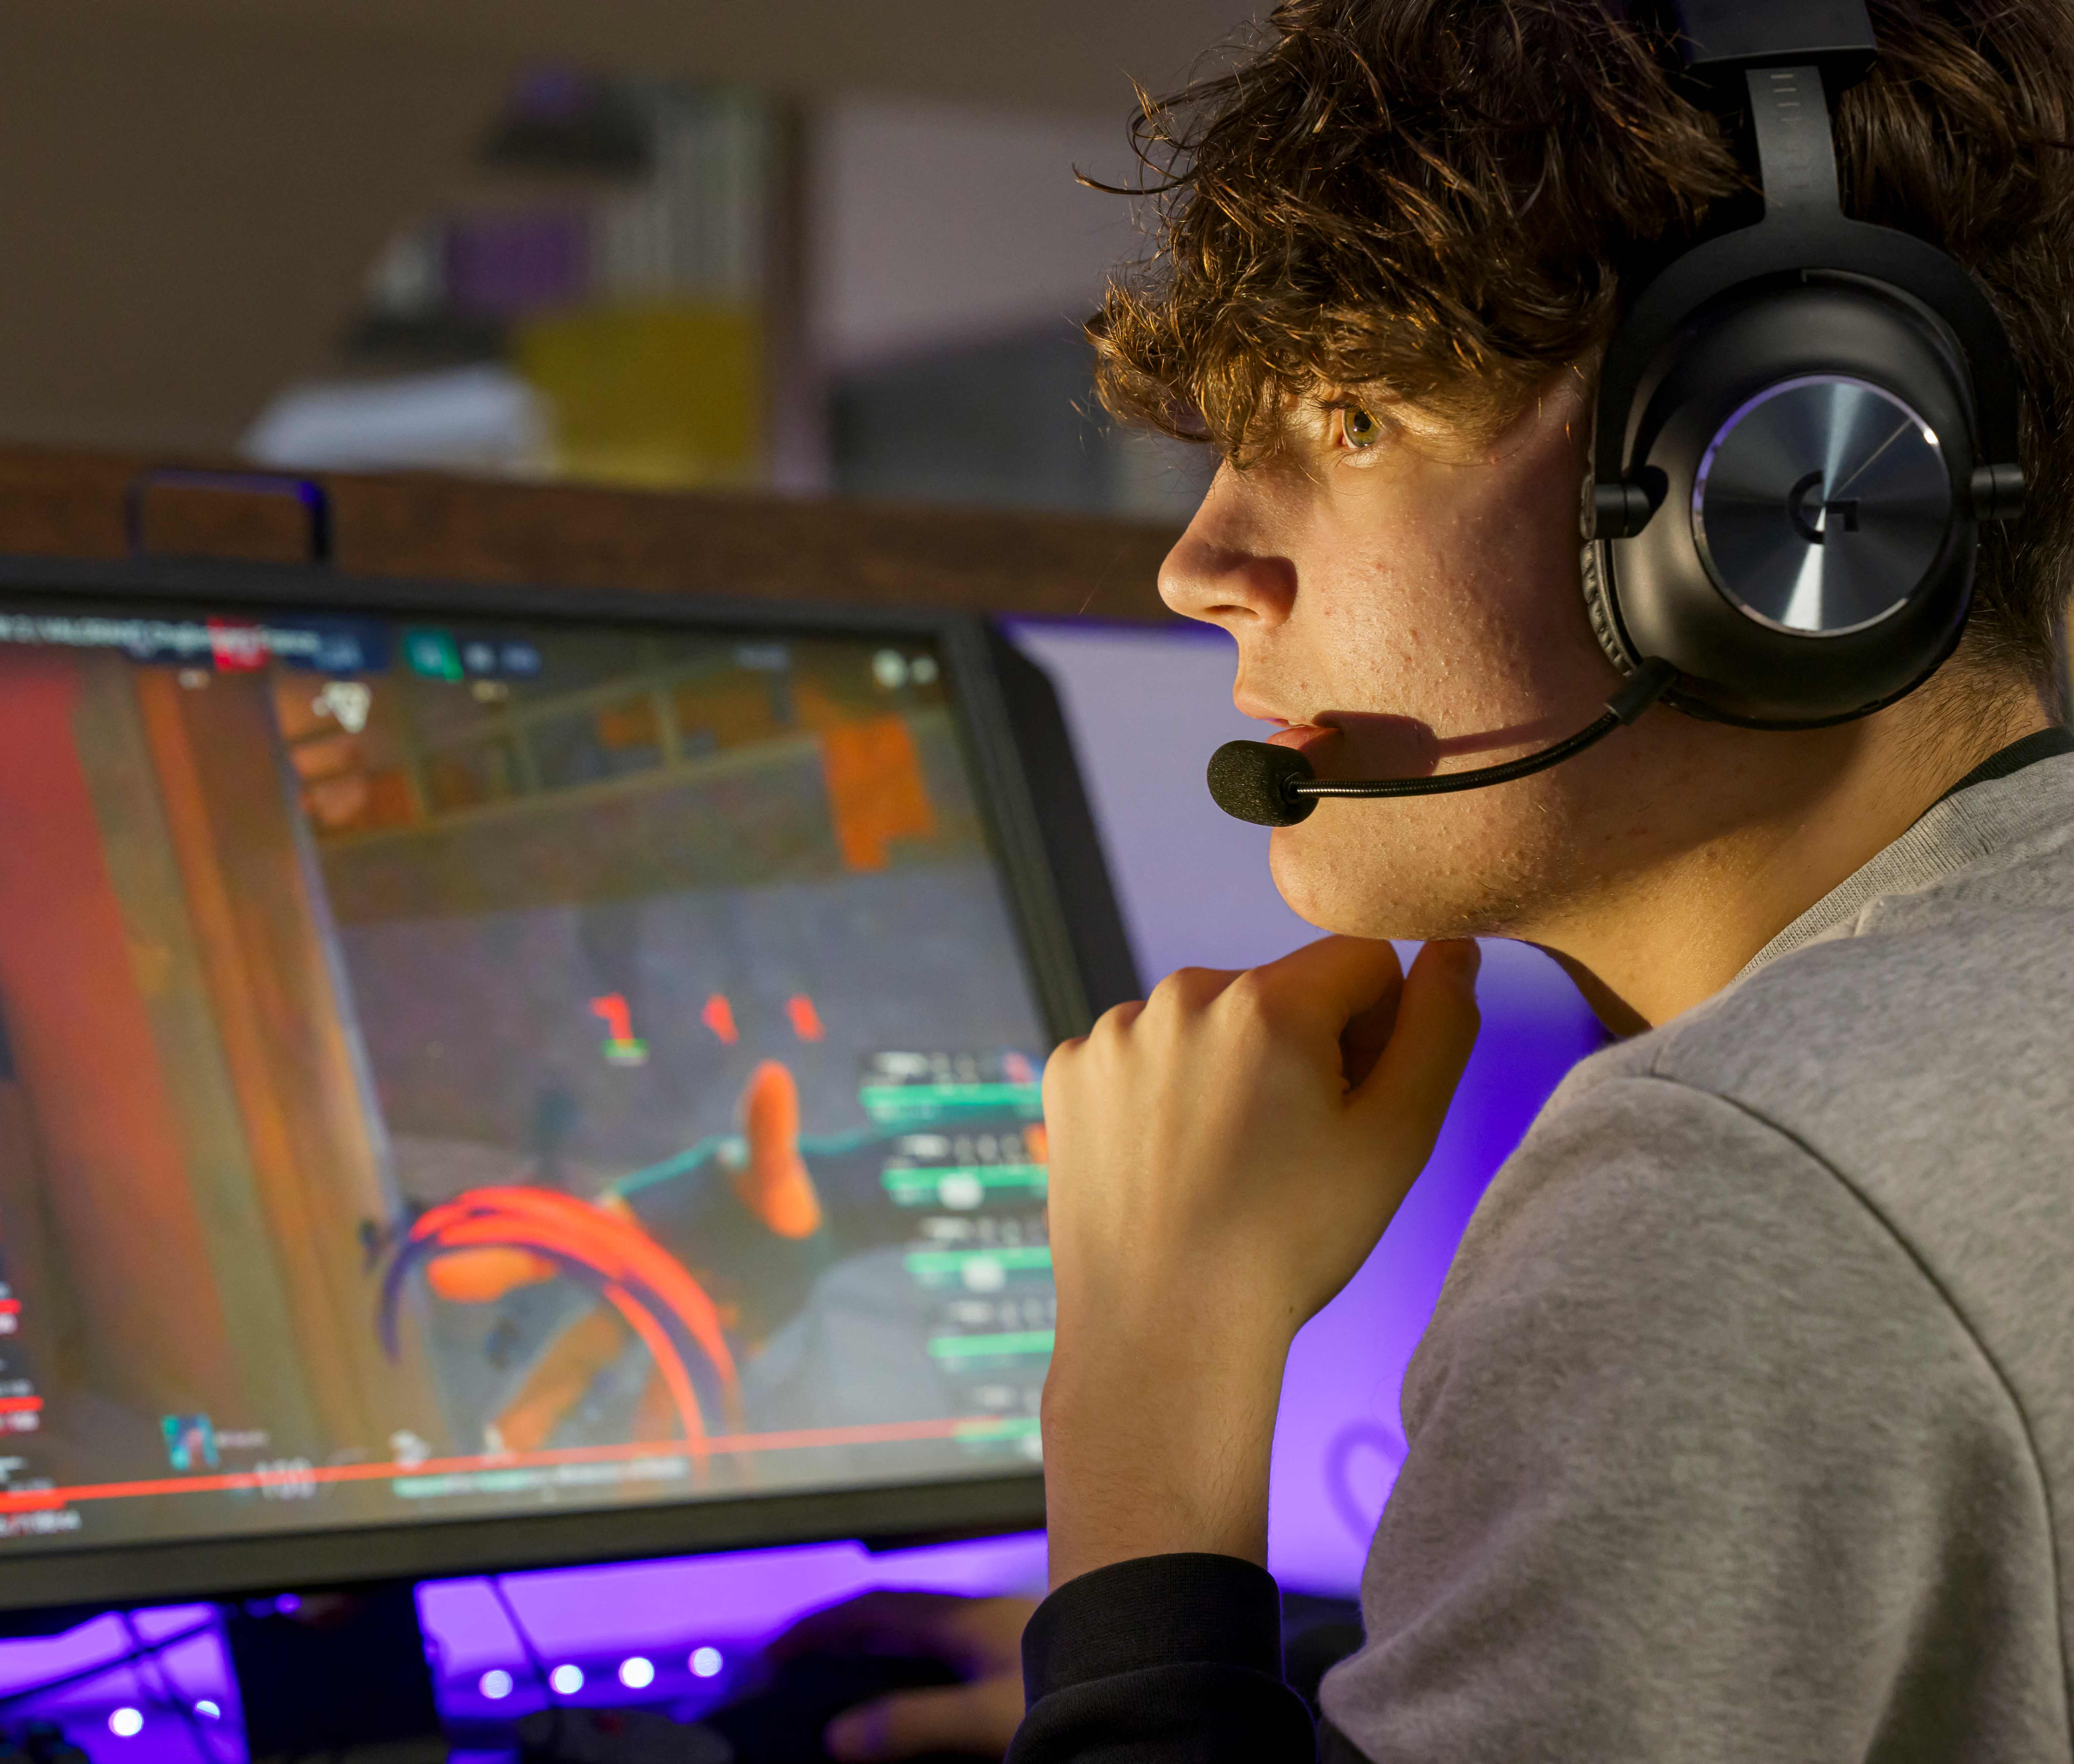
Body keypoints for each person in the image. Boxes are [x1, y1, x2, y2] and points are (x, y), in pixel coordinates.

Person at [806, 1, 2074, 1758]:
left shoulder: (1741, 1184)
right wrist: (1249, 1648)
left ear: (1769, 484)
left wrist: (1151, 1385)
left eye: (1347, 420)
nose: (1202, 565)